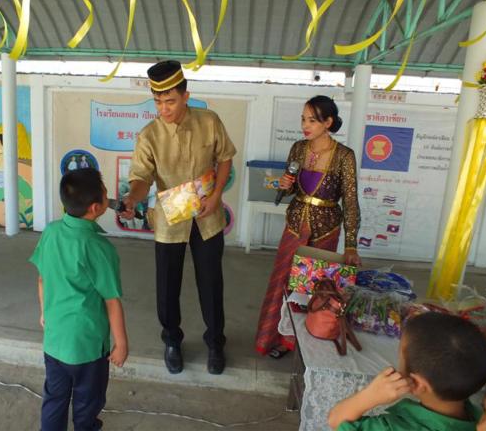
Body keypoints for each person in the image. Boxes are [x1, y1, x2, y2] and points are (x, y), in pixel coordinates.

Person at [120, 60, 236, 375]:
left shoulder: (209, 121)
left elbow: (225, 157)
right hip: (170, 221)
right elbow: (141, 177)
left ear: (186, 96)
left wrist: (217, 195)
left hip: (207, 217)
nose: (164, 108)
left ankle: (215, 343)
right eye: (158, 101)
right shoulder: (149, 135)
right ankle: (171, 340)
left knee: (211, 283)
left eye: (170, 101)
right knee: (167, 286)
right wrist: (132, 197)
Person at [255, 95, 361, 359]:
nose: (305, 125)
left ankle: (303, 342)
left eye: (312, 120)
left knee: (313, 288)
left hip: (326, 229)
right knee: (282, 282)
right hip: (295, 225)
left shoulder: (344, 156)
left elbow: (350, 202)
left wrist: (351, 244)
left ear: (328, 122)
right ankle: (275, 337)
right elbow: (292, 189)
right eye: (303, 119)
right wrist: (285, 186)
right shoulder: (298, 148)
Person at [30, 168, 128, 431]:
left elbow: (42, 279)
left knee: (54, 398)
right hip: (88, 347)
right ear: (95, 208)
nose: (109, 197)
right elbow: (111, 301)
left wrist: (44, 312)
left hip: (54, 341)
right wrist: (121, 343)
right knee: (87, 402)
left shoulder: (51, 232)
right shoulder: (99, 248)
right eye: (106, 194)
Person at [328, 312, 486, 430]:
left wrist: (370, 395)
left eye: (400, 356)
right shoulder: (482, 420)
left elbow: (336, 420)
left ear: (418, 384)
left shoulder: (392, 428)